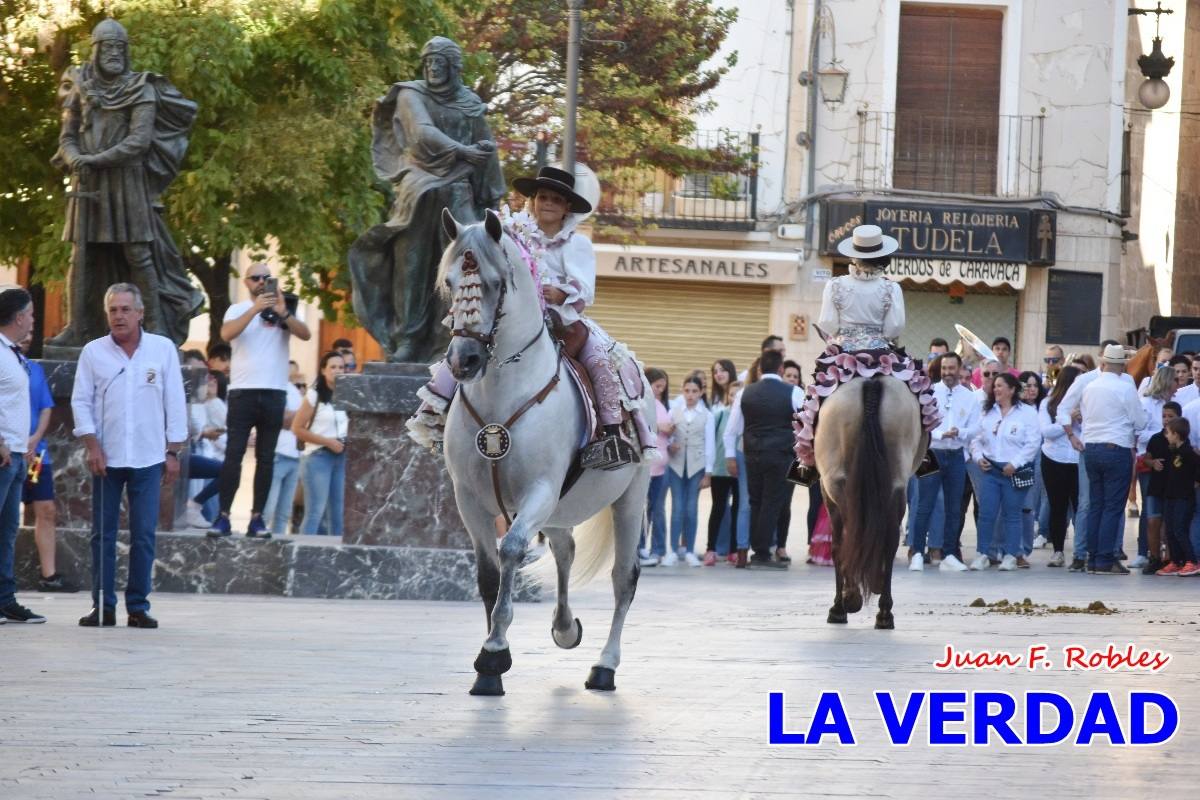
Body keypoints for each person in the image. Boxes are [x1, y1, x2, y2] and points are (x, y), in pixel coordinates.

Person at [409, 165, 655, 465]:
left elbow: (585, 287)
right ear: (533, 201)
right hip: (513, 318)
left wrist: (562, 293)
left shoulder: (577, 244)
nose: (548, 203)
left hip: (562, 321)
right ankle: (434, 414)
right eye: (542, 197)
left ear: (567, 208)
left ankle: (611, 436)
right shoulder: (511, 235)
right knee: (464, 345)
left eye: (556, 199)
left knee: (599, 359)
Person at [348, 36, 506, 363]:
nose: (433, 67)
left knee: (469, 259)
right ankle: (409, 337)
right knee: (413, 265)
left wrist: (492, 194)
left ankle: (454, 334)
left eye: (440, 62)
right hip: (419, 185)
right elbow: (421, 133)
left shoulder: (469, 102)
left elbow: (486, 147)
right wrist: (464, 151)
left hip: (459, 187)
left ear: (453, 67)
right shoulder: (411, 94)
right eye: (429, 61)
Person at [48, 19, 201, 348]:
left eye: (120, 48)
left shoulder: (141, 87)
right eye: (109, 47)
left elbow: (139, 142)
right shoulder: (79, 85)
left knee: (137, 254)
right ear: (97, 50)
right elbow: (67, 136)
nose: (114, 53)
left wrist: (93, 159)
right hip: (86, 178)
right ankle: (77, 326)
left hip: (126, 179)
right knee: (80, 255)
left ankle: (157, 326)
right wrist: (75, 158)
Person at [71, 283, 187, 628]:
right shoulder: (93, 352)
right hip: (106, 459)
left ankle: (138, 607)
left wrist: (173, 451)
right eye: (113, 310)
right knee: (102, 535)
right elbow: (81, 401)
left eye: (125, 309)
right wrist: (92, 446)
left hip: (150, 458)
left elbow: (175, 401)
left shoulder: (162, 349)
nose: (119, 316)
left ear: (140, 313)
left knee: (143, 534)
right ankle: (103, 606)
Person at [792, 225, 939, 486]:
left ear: (854, 255)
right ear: (881, 255)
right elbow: (895, 328)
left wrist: (845, 334)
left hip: (844, 354)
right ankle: (924, 455)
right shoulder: (891, 288)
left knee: (813, 398)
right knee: (917, 393)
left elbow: (827, 323)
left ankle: (804, 463)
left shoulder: (835, 285)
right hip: (882, 353)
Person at [207, 264, 311, 539]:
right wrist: (255, 309)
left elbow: (305, 334)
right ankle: (224, 517)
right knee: (234, 455)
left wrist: (282, 312)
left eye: (267, 278)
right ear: (246, 282)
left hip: (274, 392)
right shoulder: (238, 309)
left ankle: (256, 519)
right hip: (243, 392)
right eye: (256, 278)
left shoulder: (285, 307)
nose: (262, 282)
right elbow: (226, 334)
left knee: (266, 459)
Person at [725, 349, 800, 568]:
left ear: (759, 369)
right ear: (781, 369)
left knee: (756, 500)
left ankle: (758, 550)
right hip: (781, 455)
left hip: (752, 454)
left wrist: (730, 456)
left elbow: (732, 430)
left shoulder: (744, 393)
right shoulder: (793, 392)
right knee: (773, 501)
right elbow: (807, 425)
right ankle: (762, 552)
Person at [1075, 344, 1146, 575]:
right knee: (1113, 507)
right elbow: (1140, 422)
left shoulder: (1090, 386)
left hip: (1092, 449)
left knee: (1096, 505)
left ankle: (1093, 557)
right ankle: (1105, 558)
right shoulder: (1125, 388)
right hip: (1115, 449)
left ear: (1103, 363)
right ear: (1121, 365)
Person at [17, 332, 76, 592]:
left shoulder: (35, 369)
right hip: (7, 453)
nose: (29, 337)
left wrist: (35, 438)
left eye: (32, 333)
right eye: (25, 330)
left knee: (47, 510)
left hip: (37, 454)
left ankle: (49, 576)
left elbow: (46, 407)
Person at [910, 352, 979, 572]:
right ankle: (918, 553)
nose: (948, 373)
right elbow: (922, 424)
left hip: (956, 454)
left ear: (960, 370)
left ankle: (949, 554)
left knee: (954, 507)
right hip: (931, 453)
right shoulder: (929, 392)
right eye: (944, 369)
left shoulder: (970, 396)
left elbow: (976, 427)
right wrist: (941, 435)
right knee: (924, 505)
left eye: (952, 368)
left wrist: (960, 432)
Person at [0, 288, 45, 624]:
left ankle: (5, 599)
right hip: (2, 454)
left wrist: (23, 445)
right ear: (17, 317)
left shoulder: (13, 353)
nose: (32, 318)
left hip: (17, 454)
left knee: (7, 530)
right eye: (29, 313)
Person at [968, 373, 1041, 571]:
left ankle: (1010, 555)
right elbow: (975, 438)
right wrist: (978, 457)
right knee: (987, 513)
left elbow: (1033, 442)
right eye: (995, 386)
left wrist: (1016, 463)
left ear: (1012, 389)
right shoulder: (987, 412)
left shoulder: (1027, 413)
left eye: (1001, 386)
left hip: (1013, 472)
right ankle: (983, 553)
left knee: (1012, 514)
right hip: (991, 470)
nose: (996, 390)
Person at [293, 351, 350, 536]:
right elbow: (297, 428)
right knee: (315, 511)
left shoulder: (348, 395)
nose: (337, 371)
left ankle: (337, 557)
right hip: (318, 456)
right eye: (332, 367)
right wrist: (327, 441)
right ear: (323, 370)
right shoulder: (314, 395)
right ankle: (302, 555)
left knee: (338, 511)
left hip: (341, 456)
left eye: (341, 367)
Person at [666, 376, 714, 566]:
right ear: (682, 391)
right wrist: (670, 445)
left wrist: (708, 473)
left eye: (694, 391)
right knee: (677, 508)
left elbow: (709, 444)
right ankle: (673, 549)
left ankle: (690, 550)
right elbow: (667, 436)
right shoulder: (674, 411)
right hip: (676, 465)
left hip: (696, 465)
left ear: (701, 392)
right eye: (687, 391)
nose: (690, 395)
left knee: (691, 509)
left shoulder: (707, 415)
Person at [1134, 367, 1177, 568]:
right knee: (1149, 510)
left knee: (1168, 510)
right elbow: (1137, 433)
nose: (1178, 385)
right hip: (1149, 460)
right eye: (1174, 380)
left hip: (1171, 463)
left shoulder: (1173, 403)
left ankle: (1168, 552)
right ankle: (1144, 551)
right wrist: (1161, 434)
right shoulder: (1146, 403)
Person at [702, 361, 739, 566]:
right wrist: (708, 469)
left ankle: (734, 549)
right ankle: (712, 549)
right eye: (715, 371)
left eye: (722, 370)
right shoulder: (718, 414)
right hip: (719, 470)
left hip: (738, 471)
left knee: (737, 509)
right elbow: (711, 441)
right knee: (718, 508)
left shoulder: (744, 417)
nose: (718, 374)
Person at [1154, 417, 1199, 576]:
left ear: (1176, 434)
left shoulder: (1188, 452)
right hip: (1171, 496)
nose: (1166, 435)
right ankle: (1176, 561)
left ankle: (1192, 561)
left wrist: (1195, 482)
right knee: (1170, 530)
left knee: (1180, 529)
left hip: (1183, 498)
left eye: (1168, 433)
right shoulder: (1173, 451)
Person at [639, 369, 673, 567]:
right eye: (657, 386)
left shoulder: (660, 404)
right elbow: (643, 425)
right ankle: (640, 546)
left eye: (663, 387)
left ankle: (653, 548)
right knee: (642, 509)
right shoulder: (642, 403)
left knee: (654, 509)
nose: (660, 390)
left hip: (660, 468)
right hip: (648, 467)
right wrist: (660, 427)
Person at [262, 373, 304, 535]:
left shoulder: (293, 391)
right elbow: (283, 420)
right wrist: (302, 414)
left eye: (302, 384)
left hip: (295, 456)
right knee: (268, 509)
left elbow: (301, 421)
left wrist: (298, 416)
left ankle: (278, 548)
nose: (299, 385)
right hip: (277, 454)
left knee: (284, 513)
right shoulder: (274, 387)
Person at [1143, 402, 1181, 574]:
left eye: (1170, 416)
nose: (1166, 420)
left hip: (1173, 488)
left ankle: (1172, 558)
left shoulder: (1180, 440)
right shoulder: (1156, 438)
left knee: (1171, 524)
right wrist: (1152, 463)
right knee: (1153, 522)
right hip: (1156, 487)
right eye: (1164, 416)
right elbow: (1146, 457)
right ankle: (1154, 557)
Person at [1018, 371, 1047, 556]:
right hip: (1022, 458)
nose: (1032, 389)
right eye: (1027, 385)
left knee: (1035, 499)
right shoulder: (1016, 409)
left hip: (1041, 457)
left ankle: (1038, 533)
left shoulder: (1044, 407)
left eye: (1035, 385)